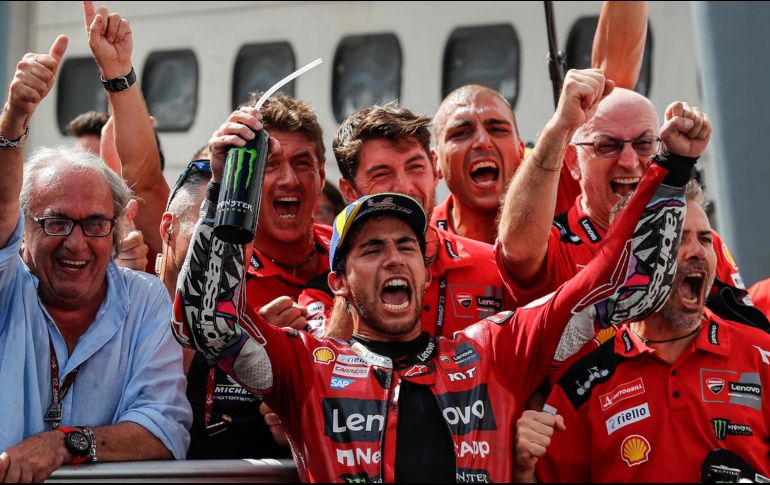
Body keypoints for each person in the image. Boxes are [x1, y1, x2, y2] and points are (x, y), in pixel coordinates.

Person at [171, 64, 703, 481]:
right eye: (372, 249)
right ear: (339, 282)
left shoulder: (494, 351)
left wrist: (672, 171)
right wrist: (228, 188)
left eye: (406, 245)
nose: (394, 257)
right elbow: (209, 325)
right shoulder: (305, 368)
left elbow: (625, 285)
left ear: (427, 272)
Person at [0, 36, 190, 482]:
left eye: (95, 224)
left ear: (118, 226)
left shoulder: (144, 300)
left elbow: (164, 431)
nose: (77, 243)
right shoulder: (8, 284)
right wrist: (13, 124)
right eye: (56, 222)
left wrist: (63, 444)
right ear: (23, 227)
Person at [517, 181, 770, 482]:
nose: (698, 252)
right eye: (676, 239)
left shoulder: (760, 354)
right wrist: (523, 471)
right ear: (632, 260)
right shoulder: (583, 386)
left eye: (705, 239)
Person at [497, 70, 745, 311]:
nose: (628, 160)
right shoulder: (555, 247)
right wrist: (559, 127)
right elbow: (517, 250)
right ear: (573, 161)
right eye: (607, 146)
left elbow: (746, 336)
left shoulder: (697, 241)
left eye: (644, 143)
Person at [329, 103, 513, 338]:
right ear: (349, 191)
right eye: (381, 175)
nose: (405, 187)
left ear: (435, 167)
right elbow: (325, 367)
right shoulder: (329, 284)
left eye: (415, 167)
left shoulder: (495, 268)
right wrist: (348, 295)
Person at [431, 85, 525, 244]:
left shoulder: (559, 236)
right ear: (436, 162)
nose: (483, 142)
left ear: (521, 152)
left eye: (497, 129)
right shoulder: (419, 243)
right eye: (461, 133)